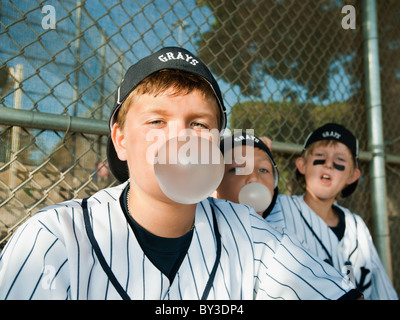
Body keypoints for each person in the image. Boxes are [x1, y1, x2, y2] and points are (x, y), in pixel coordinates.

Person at [0, 48, 361, 300]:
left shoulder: (249, 232)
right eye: (157, 120)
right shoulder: (54, 237)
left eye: (199, 124)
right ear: (121, 139)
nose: (181, 137)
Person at [266, 123, 398, 300]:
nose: (328, 164)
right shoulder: (277, 207)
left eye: (340, 161)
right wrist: (251, 153)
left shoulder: (357, 226)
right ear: (302, 165)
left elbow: (384, 293)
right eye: (320, 156)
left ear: (352, 176)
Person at [216, 131, 279, 218]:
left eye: (262, 170)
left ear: (273, 187)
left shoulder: (282, 229)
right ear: (216, 185)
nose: (253, 179)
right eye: (237, 169)